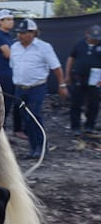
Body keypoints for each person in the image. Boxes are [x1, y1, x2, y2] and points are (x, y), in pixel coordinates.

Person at [9, 18, 68, 159]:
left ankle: (41, 148)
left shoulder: (44, 47)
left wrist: (62, 84)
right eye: (19, 32)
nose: (20, 35)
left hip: (37, 87)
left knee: (34, 116)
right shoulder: (15, 47)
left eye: (23, 33)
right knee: (25, 118)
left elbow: (56, 67)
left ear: (32, 33)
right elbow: (13, 65)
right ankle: (33, 148)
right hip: (20, 88)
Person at [0, 9, 24, 139]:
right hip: (4, 75)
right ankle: (0, 134)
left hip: (14, 74)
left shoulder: (9, 36)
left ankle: (17, 130)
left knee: (16, 102)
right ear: (0, 21)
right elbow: (9, 55)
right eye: (8, 20)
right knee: (5, 104)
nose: (11, 22)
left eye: (12, 19)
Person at [65, 24, 101, 136]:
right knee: (76, 103)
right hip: (78, 78)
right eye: (92, 37)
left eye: (97, 38)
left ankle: (89, 126)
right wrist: (67, 75)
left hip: (96, 79)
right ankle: (75, 127)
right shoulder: (79, 44)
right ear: (87, 34)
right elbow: (71, 59)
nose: (95, 40)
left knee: (94, 104)